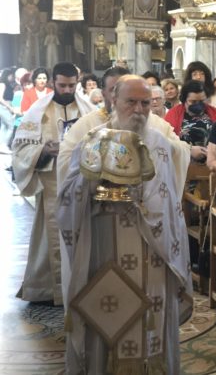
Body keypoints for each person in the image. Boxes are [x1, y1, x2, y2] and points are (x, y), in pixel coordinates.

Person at [57, 75, 193, 374]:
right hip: (105, 249)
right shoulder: (92, 140)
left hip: (153, 252)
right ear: (113, 101)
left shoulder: (161, 145)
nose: (139, 110)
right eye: (131, 102)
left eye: (145, 103)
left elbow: (169, 202)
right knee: (107, 321)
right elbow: (67, 199)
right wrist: (91, 181)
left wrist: (143, 205)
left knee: (151, 325)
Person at [11, 62, 95, 305]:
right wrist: (44, 151)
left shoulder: (88, 111)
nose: (67, 90)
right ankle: (48, 289)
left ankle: (83, 286)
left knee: (84, 233)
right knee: (51, 237)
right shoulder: (38, 112)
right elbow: (21, 150)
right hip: (51, 183)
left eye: (72, 85)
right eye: (62, 85)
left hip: (81, 183)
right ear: (52, 83)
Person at [57, 67, 193, 197]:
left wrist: (157, 147)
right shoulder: (87, 125)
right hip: (100, 205)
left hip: (145, 204)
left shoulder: (155, 124)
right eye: (114, 90)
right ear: (104, 94)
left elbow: (180, 150)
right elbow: (65, 160)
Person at [164, 80, 216, 161]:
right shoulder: (173, 115)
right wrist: (189, 149)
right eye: (193, 101)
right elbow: (166, 142)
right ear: (184, 100)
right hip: (183, 162)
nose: (198, 104)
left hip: (212, 162)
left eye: (202, 101)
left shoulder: (215, 113)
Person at [0, 68, 17, 153]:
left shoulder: (9, 85)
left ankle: (2, 145)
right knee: (11, 125)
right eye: (11, 75)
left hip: (6, 106)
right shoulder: (2, 84)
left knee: (4, 126)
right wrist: (9, 107)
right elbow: (0, 98)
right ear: (7, 75)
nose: (12, 77)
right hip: (3, 106)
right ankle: (4, 144)